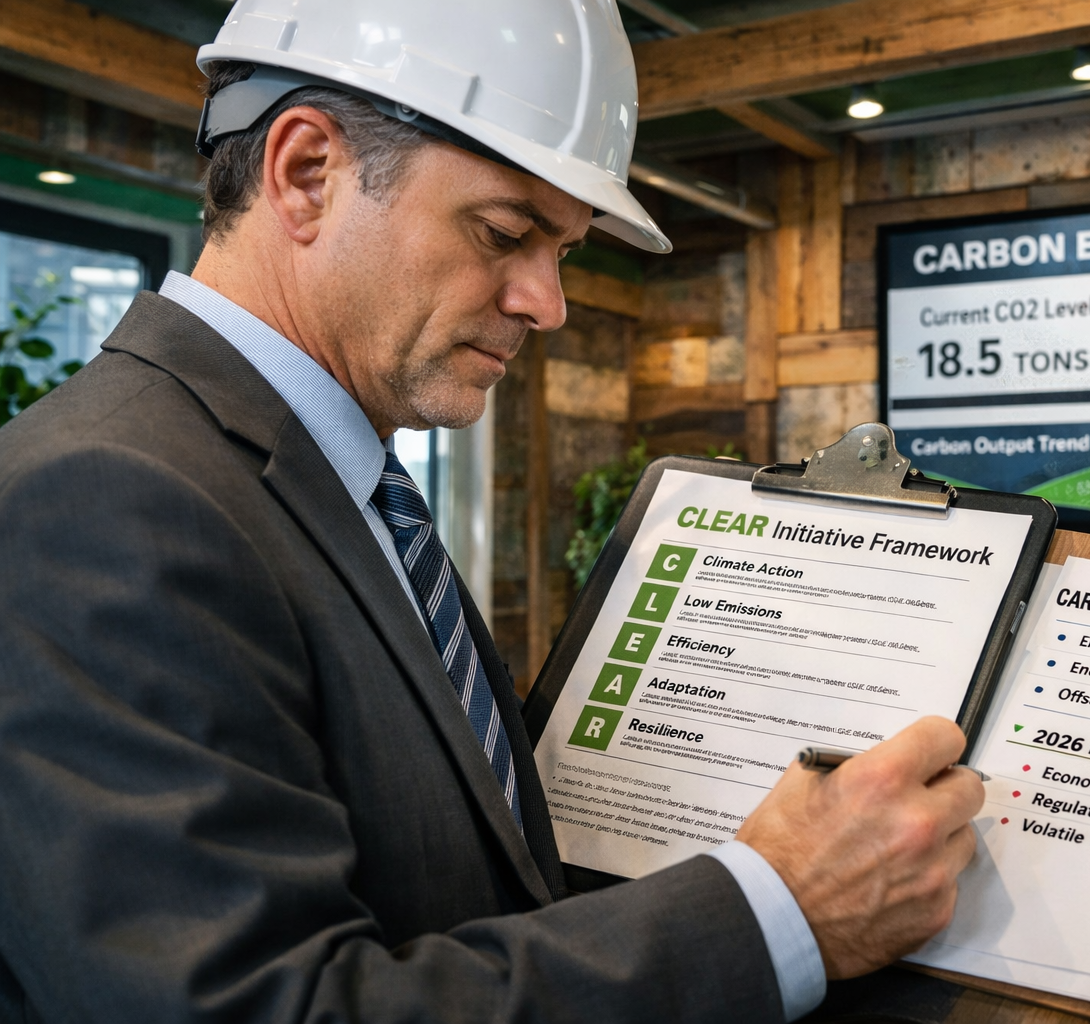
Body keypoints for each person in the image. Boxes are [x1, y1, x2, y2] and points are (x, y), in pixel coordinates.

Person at [0, 2, 984, 1022]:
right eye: (506, 233)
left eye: (560, 249)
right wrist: (780, 912)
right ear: (305, 174)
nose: (547, 302)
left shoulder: (349, 492)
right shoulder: (100, 500)